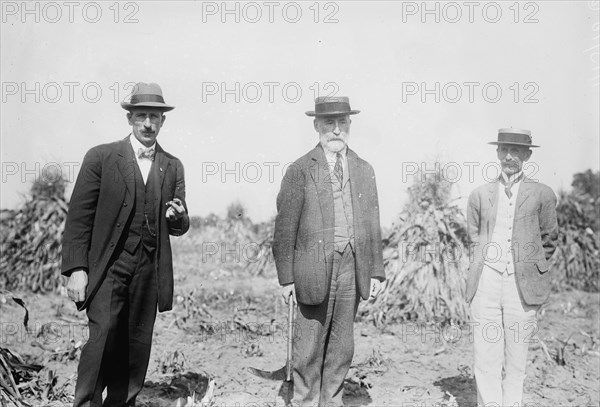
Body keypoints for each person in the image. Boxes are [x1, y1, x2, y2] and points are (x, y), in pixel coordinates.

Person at [61, 82, 189, 406]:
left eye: (154, 117)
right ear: (130, 119)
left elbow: (179, 223)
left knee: (136, 345)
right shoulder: (101, 157)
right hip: (108, 266)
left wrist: (177, 217)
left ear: (163, 121)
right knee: (103, 337)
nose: (148, 123)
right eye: (142, 115)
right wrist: (76, 269)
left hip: (149, 269)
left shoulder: (172, 165)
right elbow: (79, 217)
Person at [273, 96, 385, 406]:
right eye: (329, 123)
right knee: (309, 346)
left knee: (342, 345)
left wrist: (376, 270)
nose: (336, 130)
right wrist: (286, 279)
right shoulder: (300, 169)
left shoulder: (364, 169)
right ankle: (305, 401)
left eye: (342, 122)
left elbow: (372, 223)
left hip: (353, 267)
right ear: (317, 126)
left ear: (350, 124)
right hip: (311, 270)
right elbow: (284, 229)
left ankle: (332, 400)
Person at [466, 128, 559, 407]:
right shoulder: (480, 195)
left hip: (522, 285)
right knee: (485, 357)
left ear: (527, 155)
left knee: (517, 358)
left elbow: (550, 240)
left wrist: (530, 270)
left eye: (516, 151)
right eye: (504, 150)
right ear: (497, 153)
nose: (509, 156)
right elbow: (473, 237)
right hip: (487, 282)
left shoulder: (542, 194)